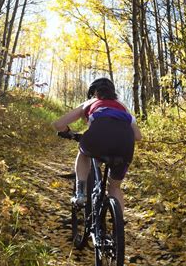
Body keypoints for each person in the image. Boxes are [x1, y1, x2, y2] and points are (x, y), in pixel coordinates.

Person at [52, 78, 141, 211]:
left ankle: (81, 193)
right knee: (115, 187)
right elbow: (138, 137)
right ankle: (120, 226)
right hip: (125, 144)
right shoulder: (123, 107)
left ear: (93, 93)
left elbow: (58, 125)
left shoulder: (91, 102)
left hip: (98, 137)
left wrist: (68, 132)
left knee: (83, 153)